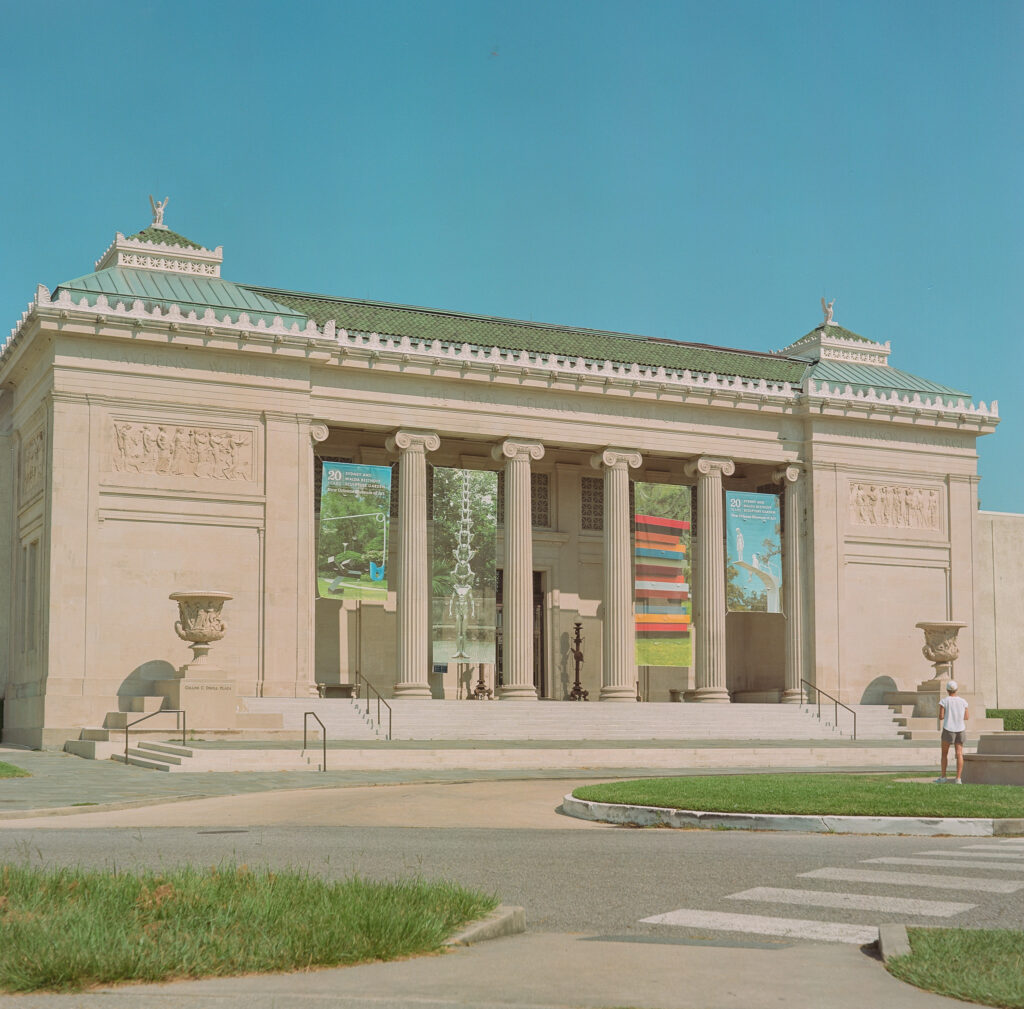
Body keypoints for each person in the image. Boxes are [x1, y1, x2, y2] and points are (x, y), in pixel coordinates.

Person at [936, 679, 969, 784]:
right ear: (956, 690)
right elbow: (967, 716)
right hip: (960, 729)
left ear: (947, 690)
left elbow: (941, 716)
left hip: (948, 728)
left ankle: (943, 777)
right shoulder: (963, 701)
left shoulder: (944, 701)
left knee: (944, 754)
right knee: (959, 754)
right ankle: (958, 778)